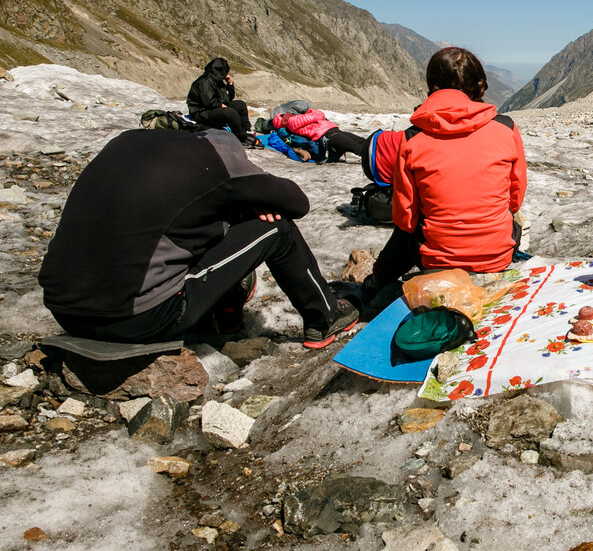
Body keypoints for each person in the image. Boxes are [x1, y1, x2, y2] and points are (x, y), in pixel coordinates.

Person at [39, 129, 358, 349]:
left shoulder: (127, 144)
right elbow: (296, 203)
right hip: (135, 318)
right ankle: (324, 316)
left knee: (191, 225)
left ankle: (224, 316)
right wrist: (248, 199)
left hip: (64, 310)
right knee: (277, 227)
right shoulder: (220, 162)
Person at [363, 47, 526, 301]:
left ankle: (376, 282)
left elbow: (405, 218)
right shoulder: (506, 128)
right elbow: (514, 200)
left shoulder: (412, 138)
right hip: (497, 256)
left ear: (433, 85)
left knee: (408, 230)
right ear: (478, 85)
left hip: (436, 259)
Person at [187, 57, 260, 148]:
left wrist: (229, 84)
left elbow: (228, 98)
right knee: (229, 112)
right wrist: (221, 105)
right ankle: (240, 137)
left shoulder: (217, 81)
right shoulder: (205, 81)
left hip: (211, 108)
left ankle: (245, 130)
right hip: (200, 112)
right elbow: (208, 102)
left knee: (240, 104)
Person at [271, 108, 367, 162]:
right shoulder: (292, 122)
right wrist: (310, 111)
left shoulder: (294, 121)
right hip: (328, 134)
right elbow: (320, 114)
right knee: (359, 147)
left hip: (332, 131)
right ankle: (379, 162)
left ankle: (336, 150)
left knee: (363, 143)